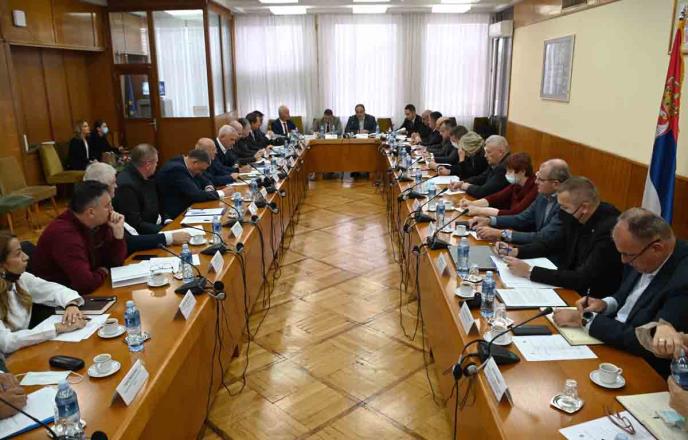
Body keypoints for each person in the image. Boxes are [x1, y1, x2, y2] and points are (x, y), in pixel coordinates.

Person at [553, 208, 688, 377]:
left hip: (640, 366)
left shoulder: (683, 279)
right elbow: (626, 296)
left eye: (627, 254)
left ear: (656, 248)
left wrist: (584, 319)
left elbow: (649, 339)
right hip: (609, 338)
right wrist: (606, 304)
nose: (623, 261)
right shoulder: (642, 253)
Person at [498, 176, 623, 297]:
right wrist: (516, 251)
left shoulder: (609, 230)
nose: (560, 211)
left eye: (565, 207)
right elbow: (552, 243)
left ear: (584, 207)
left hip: (589, 297)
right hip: (567, 284)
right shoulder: (575, 215)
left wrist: (530, 271)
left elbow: (582, 277)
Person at [33, 181, 127, 295]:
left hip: (86, 290)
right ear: (91, 212)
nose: (112, 209)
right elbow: (85, 284)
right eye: (107, 206)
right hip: (60, 298)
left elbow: (115, 262)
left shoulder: (99, 224)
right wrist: (103, 271)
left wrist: (118, 236)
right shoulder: (64, 235)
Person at [0, 231, 86, 354]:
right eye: (18, 254)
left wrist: (71, 305)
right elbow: (6, 342)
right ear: (2, 265)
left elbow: (54, 289)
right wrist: (57, 328)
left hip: (26, 351)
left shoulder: (21, 278)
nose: (26, 257)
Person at [85, 163, 189, 254]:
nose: (116, 186)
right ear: (101, 187)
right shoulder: (99, 211)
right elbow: (129, 241)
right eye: (113, 183)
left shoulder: (108, 204)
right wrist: (169, 237)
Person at [471, 159, 569, 246]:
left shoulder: (565, 204)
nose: (536, 182)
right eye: (537, 177)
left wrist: (501, 234)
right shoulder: (543, 196)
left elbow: (543, 236)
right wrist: (489, 220)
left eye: (541, 179)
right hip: (537, 248)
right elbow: (521, 219)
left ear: (555, 184)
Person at [460, 152, 538, 218]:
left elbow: (515, 213)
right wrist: (472, 203)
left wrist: (480, 210)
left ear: (522, 172)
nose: (507, 174)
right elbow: (496, 197)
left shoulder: (535, 188)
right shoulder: (516, 184)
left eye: (510, 171)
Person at [156, 149, 225, 220]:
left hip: (189, 207)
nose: (201, 173)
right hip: (176, 214)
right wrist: (222, 192)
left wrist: (209, 188)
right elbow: (196, 195)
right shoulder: (176, 169)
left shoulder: (188, 164)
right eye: (201, 170)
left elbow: (205, 180)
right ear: (195, 162)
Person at [114, 144, 163, 233]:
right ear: (148, 165)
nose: (156, 165)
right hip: (142, 234)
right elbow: (135, 224)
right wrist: (166, 231)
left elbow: (158, 204)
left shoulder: (147, 176)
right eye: (156, 162)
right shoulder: (127, 185)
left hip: (155, 225)